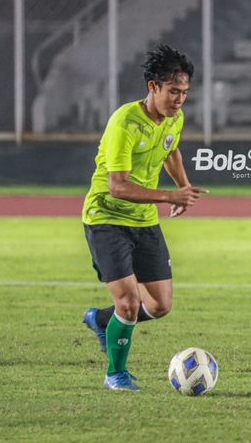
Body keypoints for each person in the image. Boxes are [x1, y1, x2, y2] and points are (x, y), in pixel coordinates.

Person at [81, 44, 207, 391]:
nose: (180, 99)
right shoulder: (125, 122)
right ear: (153, 87)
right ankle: (115, 374)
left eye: (184, 92)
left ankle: (101, 319)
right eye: (173, 91)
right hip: (106, 216)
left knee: (161, 305)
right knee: (129, 302)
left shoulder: (173, 117)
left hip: (143, 220)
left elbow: (170, 148)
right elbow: (118, 186)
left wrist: (184, 186)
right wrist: (169, 195)